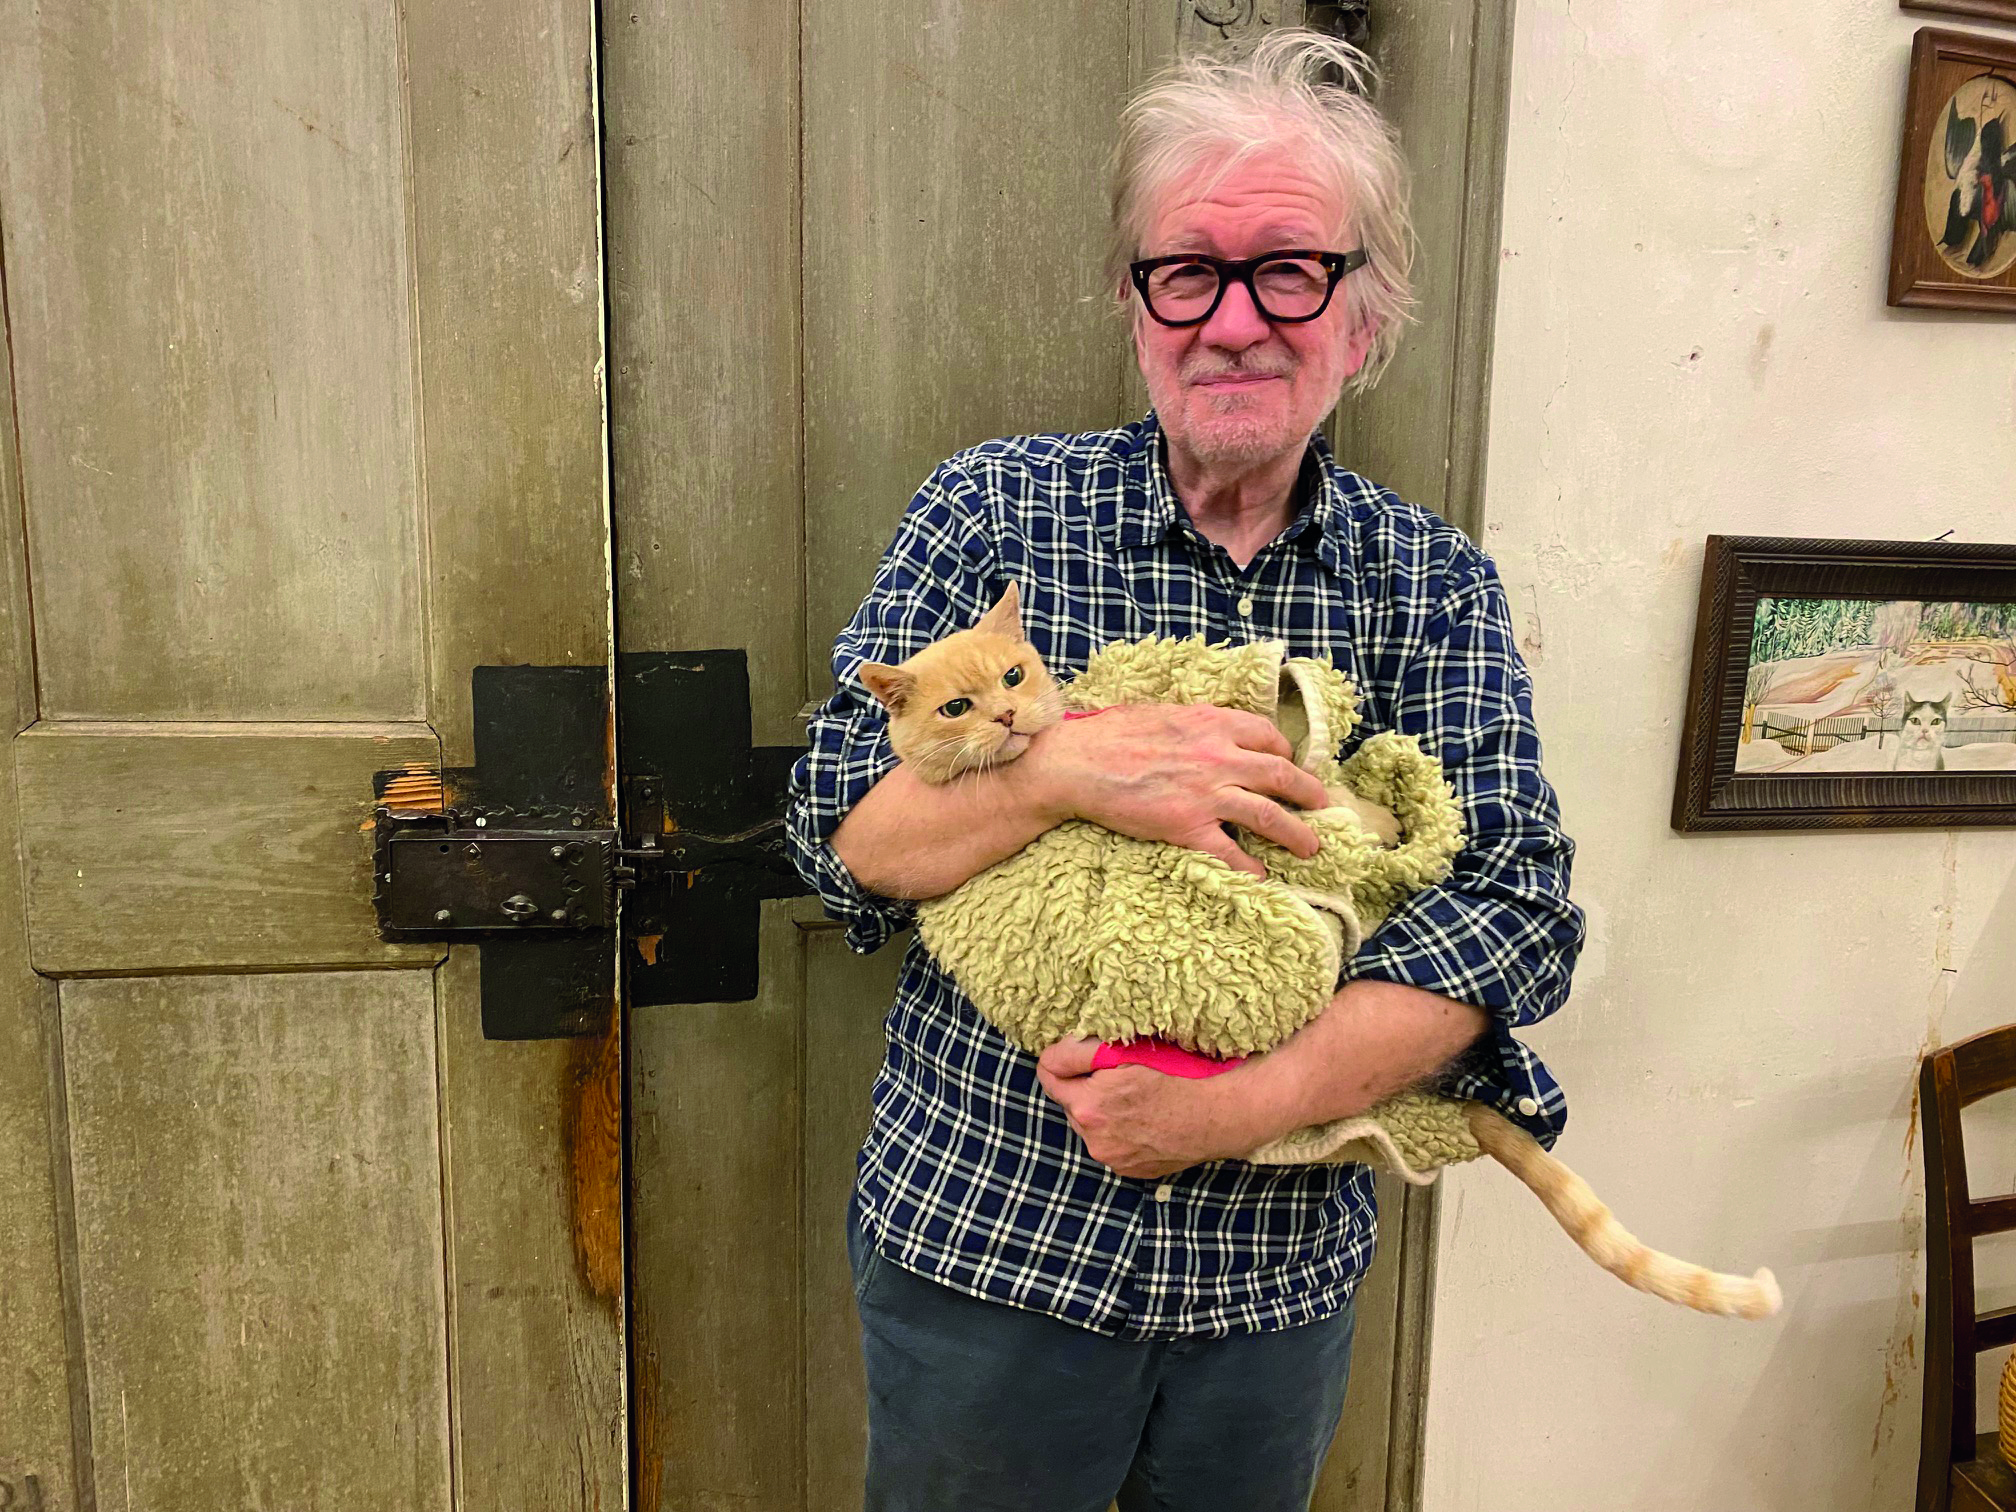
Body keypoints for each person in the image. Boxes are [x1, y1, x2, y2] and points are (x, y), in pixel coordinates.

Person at [783, 28, 1584, 1512]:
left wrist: (1234, 1106)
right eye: (1188, 273)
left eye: (1291, 272)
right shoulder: (995, 509)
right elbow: (839, 841)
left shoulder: (1430, 583)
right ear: (1134, 304)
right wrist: (1066, 772)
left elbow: (1516, 914)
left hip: (1273, 1293)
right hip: (988, 1252)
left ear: (1365, 317)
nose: (1233, 322)